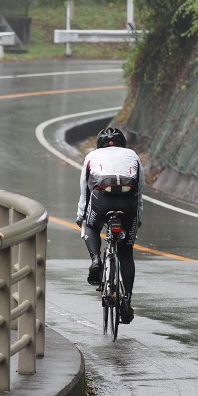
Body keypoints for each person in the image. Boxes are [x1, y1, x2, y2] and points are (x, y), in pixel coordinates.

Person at [75, 127, 144, 324]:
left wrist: (81, 216)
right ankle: (127, 300)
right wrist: (136, 218)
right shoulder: (133, 156)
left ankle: (96, 260)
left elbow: (85, 190)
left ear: (99, 144)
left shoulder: (92, 156)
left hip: (102, 198)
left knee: (91, 225)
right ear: (123, 143)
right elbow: (140, 190)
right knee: (126, 252)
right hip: (128, 201)